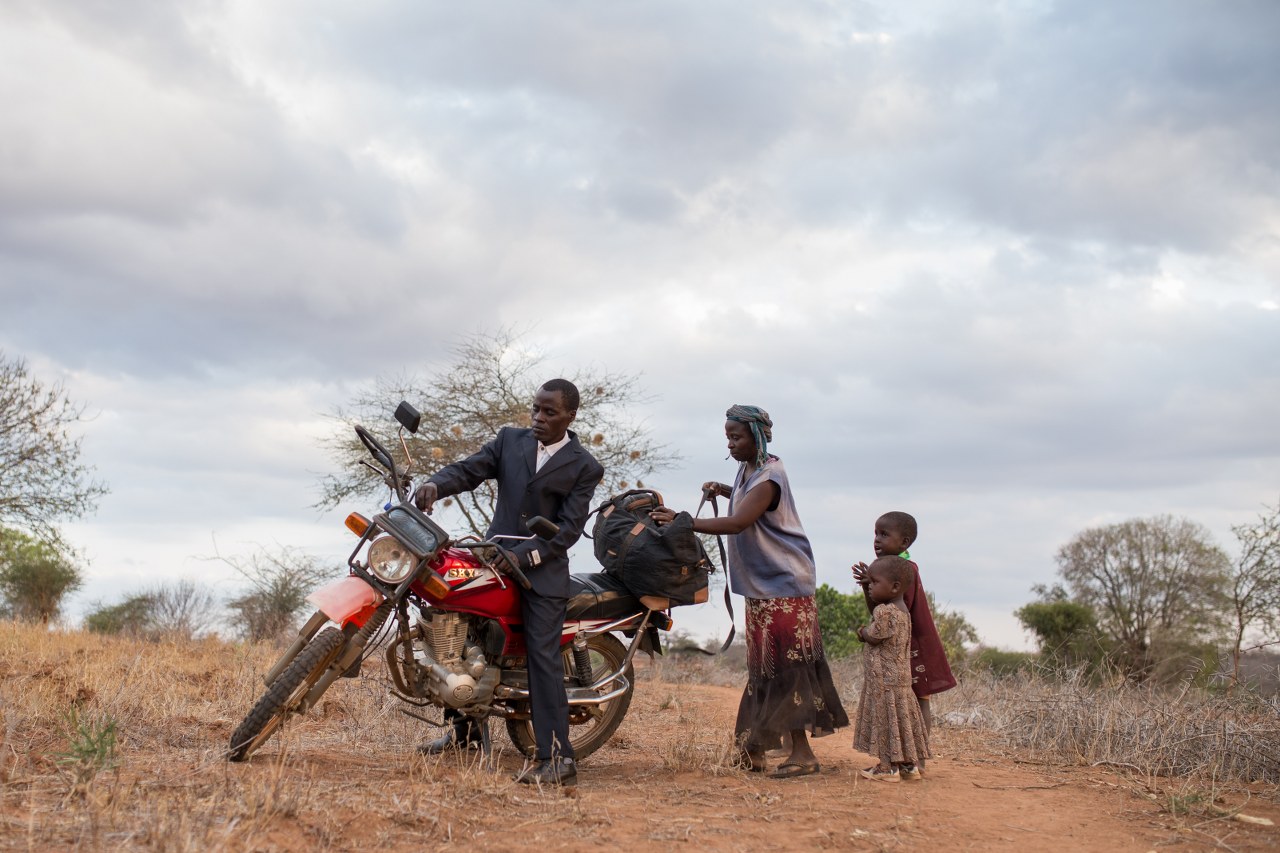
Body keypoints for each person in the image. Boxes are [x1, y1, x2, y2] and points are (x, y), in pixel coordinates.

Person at [413, 379, 604, 787]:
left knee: (542, 656)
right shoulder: (509, 441)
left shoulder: (585, 466)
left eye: (549, 412)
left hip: (542, 573)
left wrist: (523, 555)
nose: (538, 418)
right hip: (492, 559)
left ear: (570, 416)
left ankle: (558, 759)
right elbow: (469, 470)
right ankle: (464, 735)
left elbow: (567, 531)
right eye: (536, 409)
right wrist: (436, 483)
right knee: (462, 635)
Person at [652, 404, 848, 779]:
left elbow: (741, 521)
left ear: (756, 436)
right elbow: (744, 502)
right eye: (728, 436)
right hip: (765, 586)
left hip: (784, 585)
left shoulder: (770, 476)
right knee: (766, 666)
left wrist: (686, 522)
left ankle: (801, 754)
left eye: (736, 436)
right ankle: (761, 749)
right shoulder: (749, 470)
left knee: (785, 669)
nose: (730, 443)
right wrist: (724, 489)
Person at [852, 511, 955, 735]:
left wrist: (866, 633)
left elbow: (893, 614)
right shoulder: (886, 568)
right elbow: (878, 610)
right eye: (876, 534)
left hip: (915, 643)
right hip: (900, 645)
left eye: (884, 534)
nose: (877, 539)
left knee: (919, 699)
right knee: (907, 700)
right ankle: (906, 757)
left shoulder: (905, 569)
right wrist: (867, 585)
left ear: (904, 542)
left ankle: (918, 759)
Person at [853, 555, 930, 782]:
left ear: (895, 587)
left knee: (886, 722)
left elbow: (875, 636)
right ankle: (908, 766)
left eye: (875, 583)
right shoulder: (904, 612)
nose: (870, 588)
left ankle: (887, 769)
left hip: (884, 681)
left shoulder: (884, 612)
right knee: (901, 723)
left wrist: (862, 633)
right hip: (901, 680)